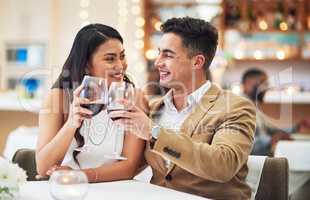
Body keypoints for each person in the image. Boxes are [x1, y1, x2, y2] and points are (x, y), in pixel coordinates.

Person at [109, 17, 256, 199]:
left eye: (168, 55)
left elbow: (223, 165)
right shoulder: (153, 108)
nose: (157, 62)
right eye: (159, 53)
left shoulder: (235, 107)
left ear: (197, 62)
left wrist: (154, 132)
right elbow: (129, 165)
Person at [36, 24, 146, 182]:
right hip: (66, 190)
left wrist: (80, 176)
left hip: (116, 191)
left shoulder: (134, 98)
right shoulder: (58, 98)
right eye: (110, 59)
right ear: (86, 65)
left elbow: (129, 167)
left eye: (122, 56)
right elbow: (43, 167)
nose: (121, 65)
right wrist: (71, 123)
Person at [241, 68, 308, 155]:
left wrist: (297, 126)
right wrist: (272, 140)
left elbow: (271, 128)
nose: (266, 88)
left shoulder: (253, 106)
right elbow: (244, 142)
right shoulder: (240, 107)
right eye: (263, 83)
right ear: (248, 83)